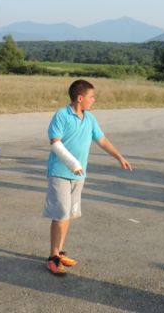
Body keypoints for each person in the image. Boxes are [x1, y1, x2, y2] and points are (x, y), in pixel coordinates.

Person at [43, 79, 132, 275]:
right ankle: (53, 257)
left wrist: (119, 157)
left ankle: (59, 251)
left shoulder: (90, 119)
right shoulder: (61, 115)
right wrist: (73, 164)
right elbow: (55, 143)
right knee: (61, 214)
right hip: (60, 173)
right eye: (91, 97)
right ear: (80, 98)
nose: (94, 100)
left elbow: (102, 140)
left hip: (79, 175)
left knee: (69, 215)